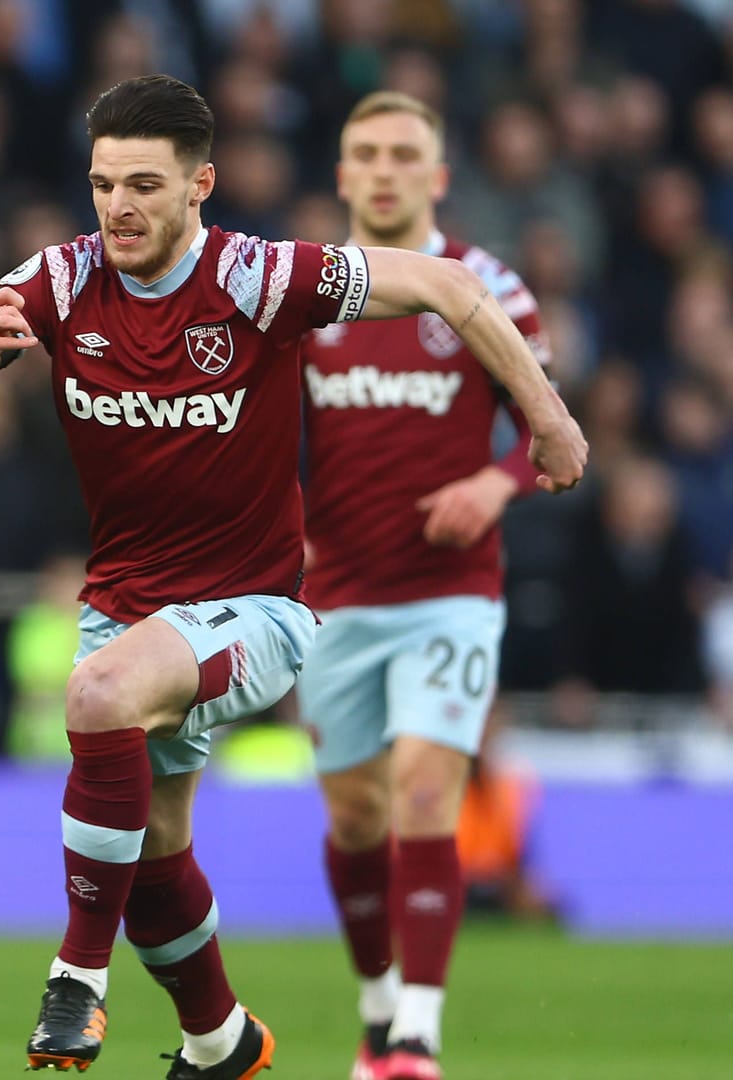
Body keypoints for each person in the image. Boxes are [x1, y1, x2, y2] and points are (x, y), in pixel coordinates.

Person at [0, 75, 586, 1079]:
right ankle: (222, 1040)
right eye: (104, 183)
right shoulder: (59, 281)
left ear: (203, 186)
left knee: (96, 693)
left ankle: (78, 976)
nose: (120, 207)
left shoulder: (264, 279)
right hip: (129, 609)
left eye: (145, 184)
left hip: (256, 613)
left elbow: (454, 289)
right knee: (149, 850)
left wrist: (546, 417)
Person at [297, 91, 553, 1080]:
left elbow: (549, 421)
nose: (388, 168)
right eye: (368, 152)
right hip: (336, 603)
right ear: (343, 176)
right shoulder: (310, 291)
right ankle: (375, 1013)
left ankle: (418, 1037)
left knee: (423, 791)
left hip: (451, 592)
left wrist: (495, 483)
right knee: (355, 817)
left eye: (408, 153)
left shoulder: (491, 289)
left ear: (438, 177)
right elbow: (265, 437)